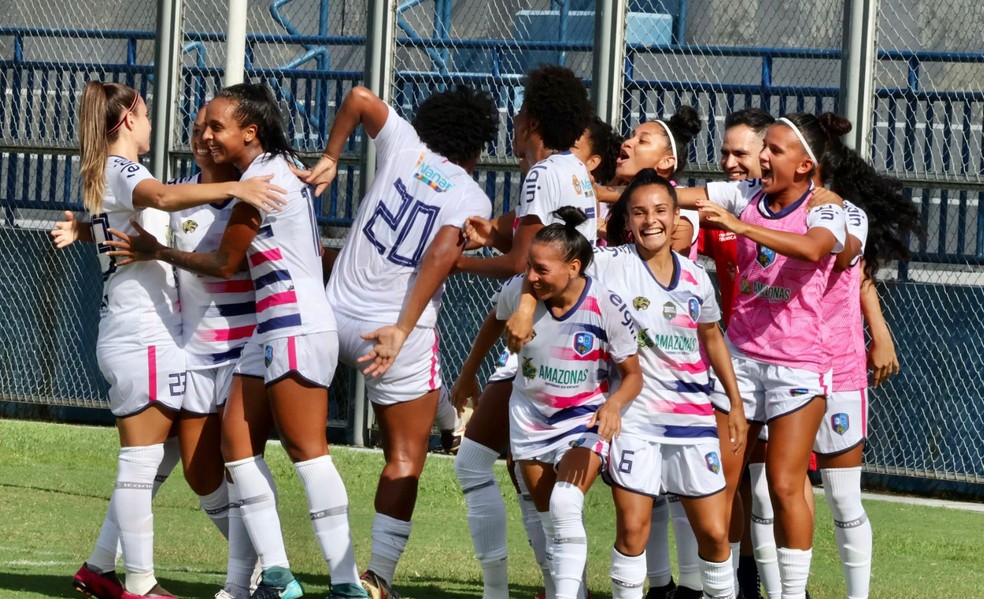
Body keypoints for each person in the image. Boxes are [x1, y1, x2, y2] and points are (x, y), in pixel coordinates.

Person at [107, 83, 366, 599]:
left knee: (306, 451)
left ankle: (343, 583)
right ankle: (269, 578)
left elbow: (227, 262)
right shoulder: (261, 173)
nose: (205, 135)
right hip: (268, 332)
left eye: (216, 126)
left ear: (250, 131)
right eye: (202, 126)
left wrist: (158, 251)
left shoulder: (261, 180)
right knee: (235, 450)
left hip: (290, 325)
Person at [66, 80, 283, 599]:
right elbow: (160, 198)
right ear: (127, 121)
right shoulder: (124, 169)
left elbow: (133, 220)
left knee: (163, 456)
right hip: (142, 333)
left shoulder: (110, 171)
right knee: (142, 463)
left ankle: (100, 565)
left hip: (145, 331)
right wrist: (236, 188)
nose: (151, 119)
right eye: (143, 111)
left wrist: (81, 229)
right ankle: (141, 584)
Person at [292, 83, 498, 599]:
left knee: (287, 442)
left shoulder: (404, 141)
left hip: (328, 310)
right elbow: (439, 257)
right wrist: (402, 328)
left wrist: (331, 156)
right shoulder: (471, 194)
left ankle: (258, 564)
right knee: (405, 456)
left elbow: (359, 97)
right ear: (476, 150)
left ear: (428, 123)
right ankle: (376, 577)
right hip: (390, 335)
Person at [676, 113, 850, 599]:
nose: (763, 157)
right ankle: (720, 591)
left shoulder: (826, 208)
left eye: (774, 149)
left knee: (784, 483)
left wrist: (739, 228)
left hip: (797, 363)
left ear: (804, 165)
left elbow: (814, 250)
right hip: (741, 358)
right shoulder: (747, 196)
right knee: (714, 481)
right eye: (765, 148)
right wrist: (604, 193)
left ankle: (793, 594)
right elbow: (681, 196)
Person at [449, 65, 595, 599]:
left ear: (531, 117)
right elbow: (536, 236)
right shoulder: (571, 169)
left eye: (519, 110)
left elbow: (519, 265)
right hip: (564, 325)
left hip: (547, 332)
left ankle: (524, 591)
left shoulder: (541, 174)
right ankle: (559, 588)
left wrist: (453, 264)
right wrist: (498, 228)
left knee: (481, 466)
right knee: (527, 477)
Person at [499, 207, 643, 599]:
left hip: (584, 418)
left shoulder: (606, 303)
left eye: (541, 269)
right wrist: (466, 378)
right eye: (530, 265)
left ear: (574, 267)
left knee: (564, 503)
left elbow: (633, 374)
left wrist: (613, 406)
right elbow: (495, 321)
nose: (532, 276)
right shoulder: (519, 292)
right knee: (550, 527)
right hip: (529, 417)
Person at [809, 117, 918, 599]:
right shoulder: (757, 205)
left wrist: (880, 331)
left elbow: (856, 269)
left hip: (838, 362)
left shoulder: (845, 212)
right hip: (774, 364)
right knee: (773, 489)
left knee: (842, 493)